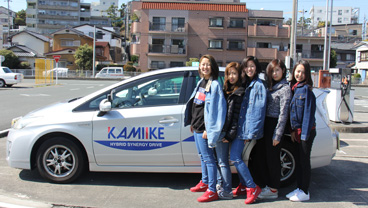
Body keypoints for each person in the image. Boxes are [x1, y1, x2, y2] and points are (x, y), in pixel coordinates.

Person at [184, 54, 227, 203]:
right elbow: (197, 105)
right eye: (203, 64)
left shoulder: (214, 85)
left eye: (208, 64)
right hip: (197, 126)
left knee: (209, 159)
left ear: (212, 67)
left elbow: (218, 110)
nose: (205, 67)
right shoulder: (202, 82)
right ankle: (205, 181)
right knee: (203, 157)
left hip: (205, 129)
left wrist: (210, 130)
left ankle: (212, 190)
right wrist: (192, 123)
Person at [251, 59, 292, 199]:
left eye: (277, 70)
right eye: (272, 71)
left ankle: (274, 189)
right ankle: (266, 186)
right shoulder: (270, 86)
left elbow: (283, 113)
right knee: (262, 157)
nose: (274, 73)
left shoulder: (285, 89)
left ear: (283, 71)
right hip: (265, 124)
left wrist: (277, 135)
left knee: (273, 159)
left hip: (275, 125)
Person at [230, 56, 266, 204]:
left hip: (246, 130)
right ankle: (244, 185)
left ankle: (252, 187)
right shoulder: (247, 83)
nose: (249, 69)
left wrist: (251, 133)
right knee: (238, 158)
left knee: (235, 157)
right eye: (246, 66)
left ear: (256, 67)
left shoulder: (258, 85)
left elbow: (259, 110)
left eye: (252, 66)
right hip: (240, 127)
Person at [286, 60, 316, 202]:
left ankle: (305, 191)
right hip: (297, 132)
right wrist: (293, 131)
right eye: (298, 71)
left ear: (307, 74)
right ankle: (299, 189)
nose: (300, 74)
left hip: (305, 132)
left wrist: (303, 135)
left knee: (304, 162)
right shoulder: (294, 88)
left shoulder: (306, 90)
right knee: (298, 161)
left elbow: (308, 116)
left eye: (303, 72)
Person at [216, 62, 245, 200]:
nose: (231, 76)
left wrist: (229, 135)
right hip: (224, 131)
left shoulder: (239, 92)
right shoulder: (227, 89)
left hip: (228, 133)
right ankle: (225, 186)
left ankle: (227, 190)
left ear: (239, 74)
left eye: (234, 73)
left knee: (223, 162)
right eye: (229, 74)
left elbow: (235, 117)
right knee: (222, 161)